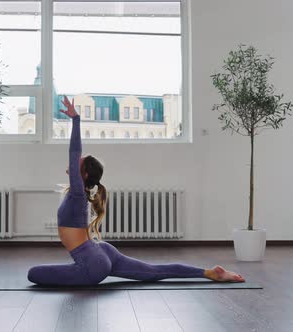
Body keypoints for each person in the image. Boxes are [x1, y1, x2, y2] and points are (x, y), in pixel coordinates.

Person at [27, 96, 245, 286]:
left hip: (93, 263)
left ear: (82, 174)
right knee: (153, 271)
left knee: (33, 273)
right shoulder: (79, 193)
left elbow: (75, 150)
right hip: (100, 251)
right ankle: (208, 273)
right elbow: (76, 156)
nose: (73, 163)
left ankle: (209, 273)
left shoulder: (77, 193)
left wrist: (76, 120)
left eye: (78, 163)